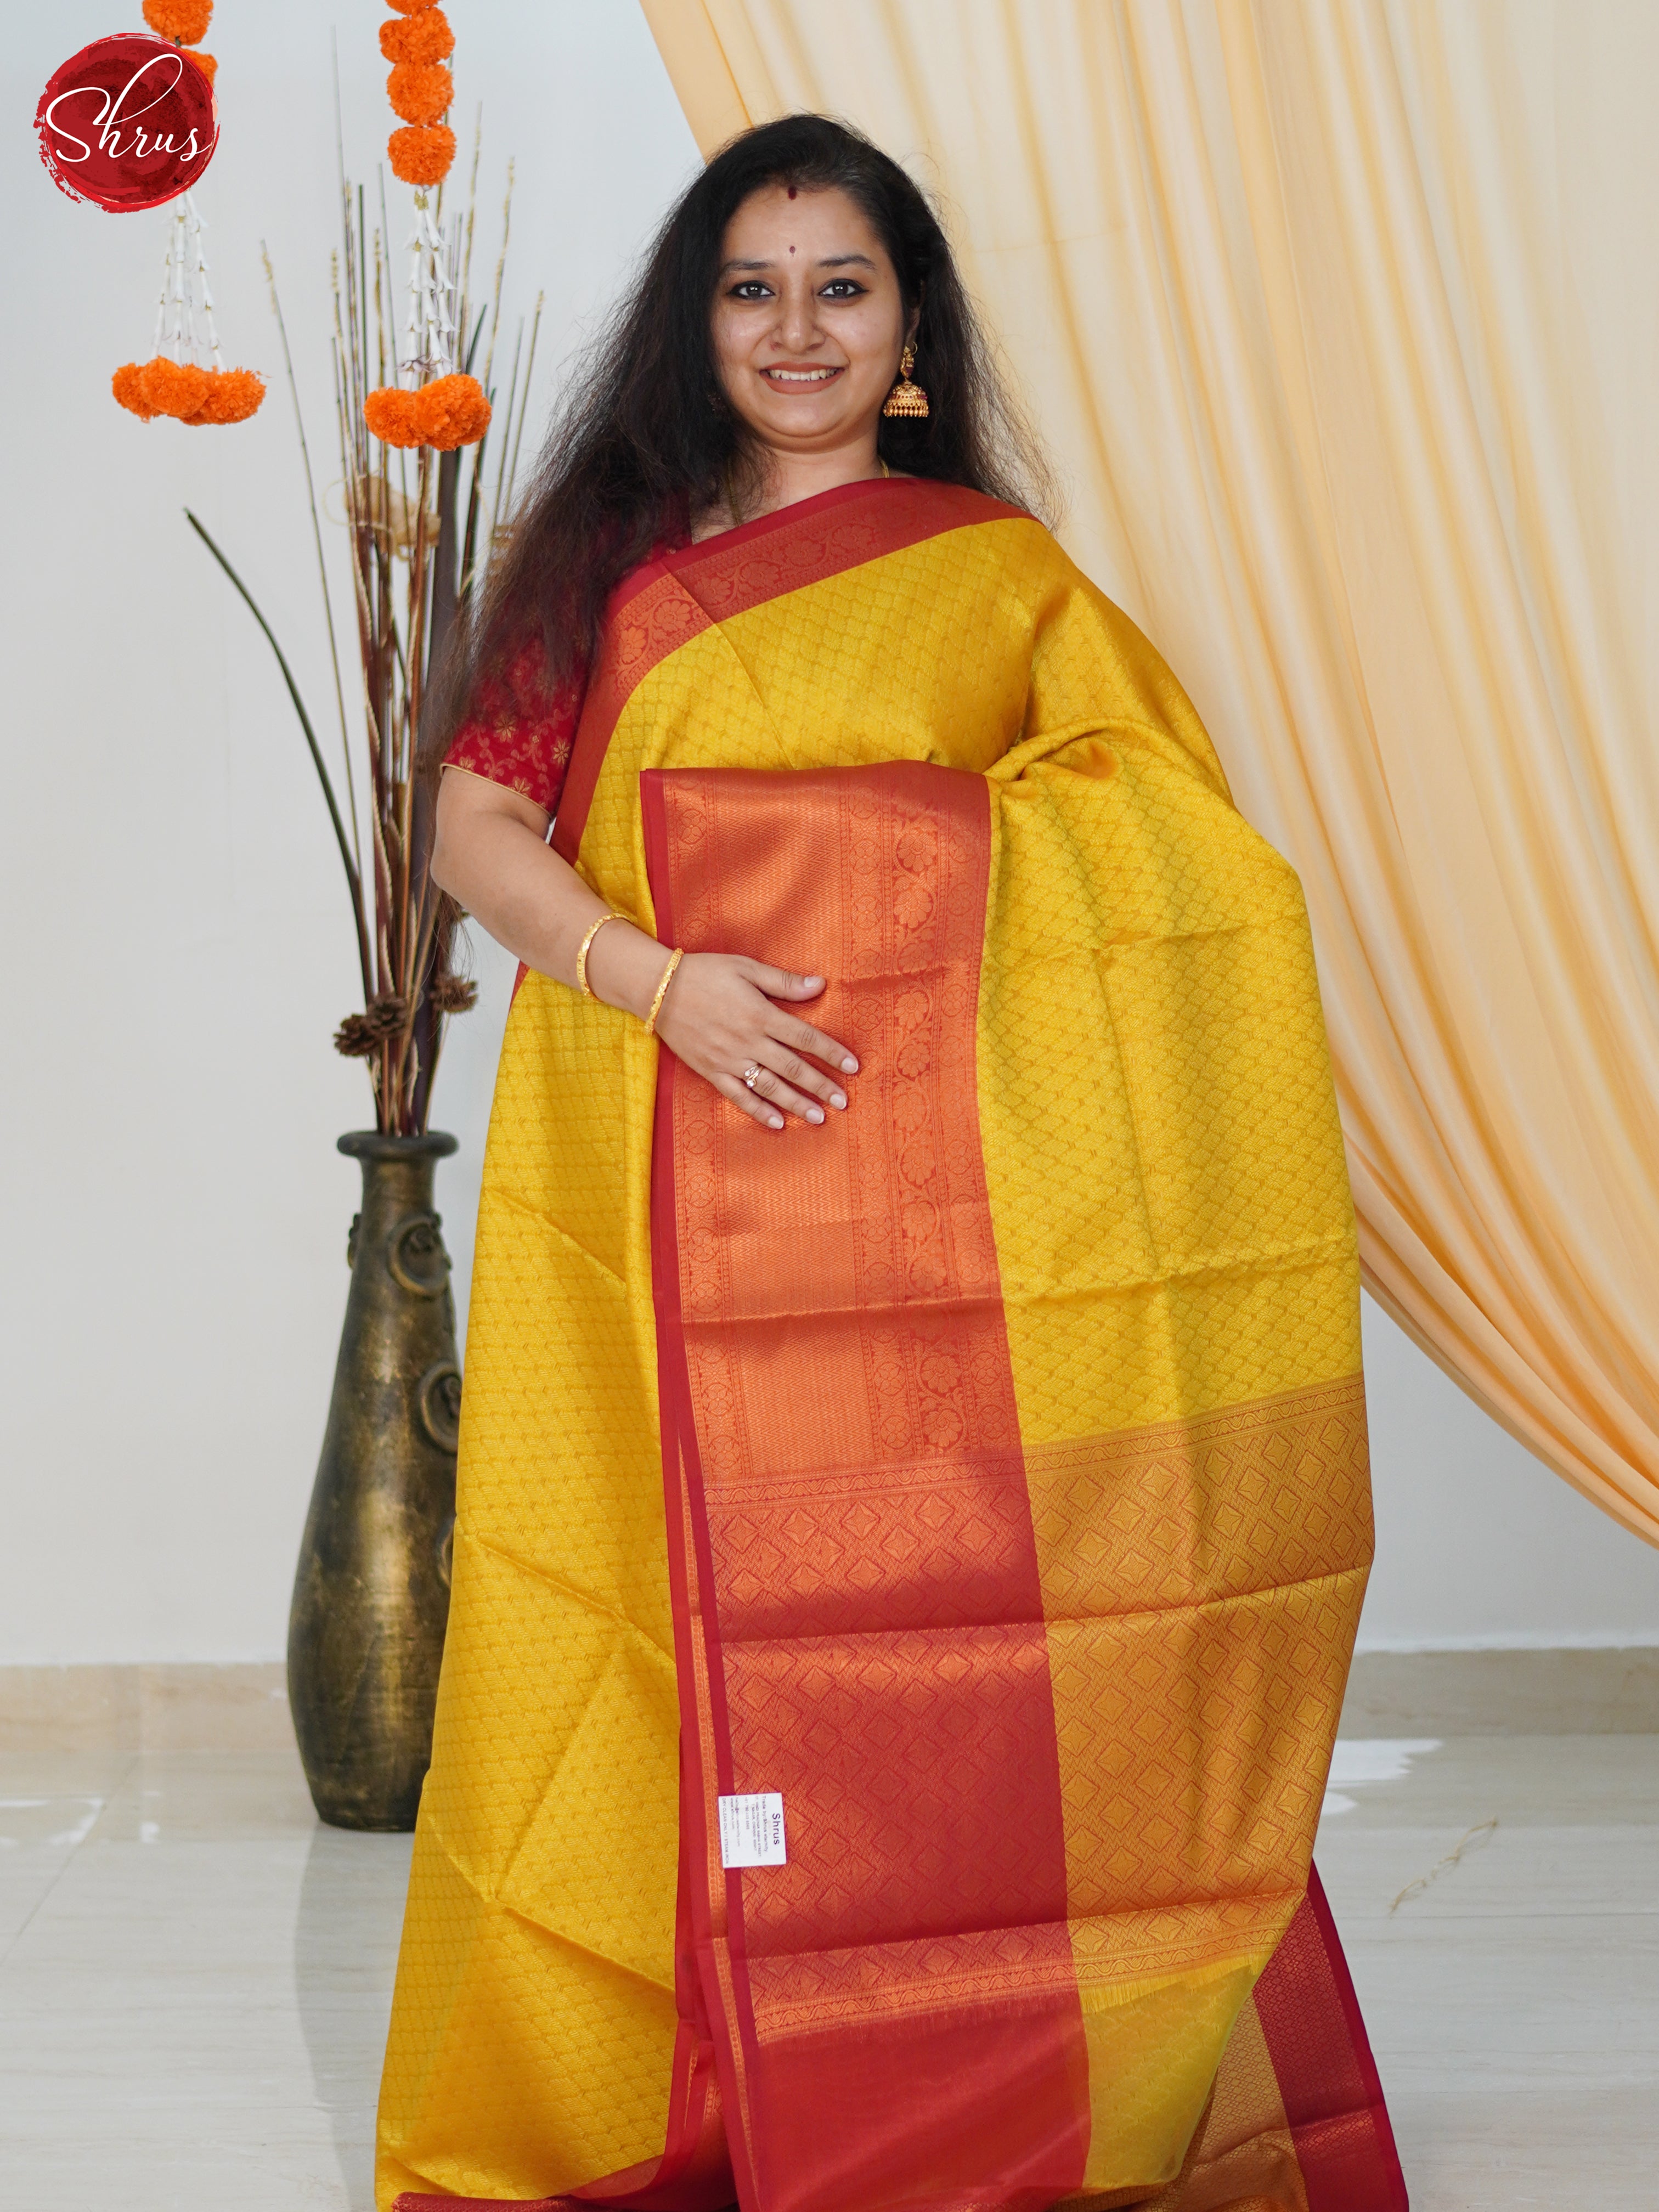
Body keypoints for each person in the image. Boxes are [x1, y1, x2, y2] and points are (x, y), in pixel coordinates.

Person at [376, 115, 1406, 2212]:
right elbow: (479, 824)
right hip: (651, 1176)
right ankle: (684, 2110)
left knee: (921, 1649)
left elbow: (1176, 861)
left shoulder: (999, 576)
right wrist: (662, 978)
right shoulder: (616, 556)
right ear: (697, 322)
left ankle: (958, 2092)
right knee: (644, 1629)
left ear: (911, 326)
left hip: (922, 1230)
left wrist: (904, 877)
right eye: (752, 289)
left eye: (842, 287)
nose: (797, 330)